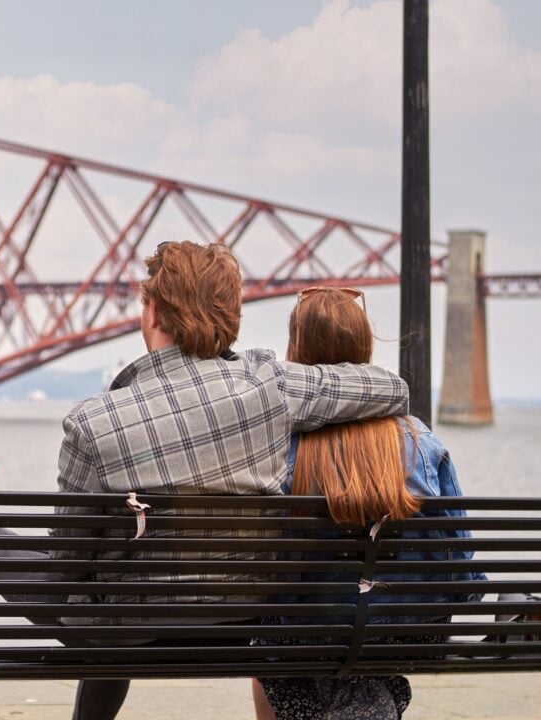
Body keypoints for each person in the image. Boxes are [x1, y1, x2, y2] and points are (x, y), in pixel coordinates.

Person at [43, 241, 410, 720]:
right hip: (244, 620)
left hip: (129, 628)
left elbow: (64, 564)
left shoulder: (92, 422)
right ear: (231, 317)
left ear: (152, 312)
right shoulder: (272, 385)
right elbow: (392, 389)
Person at [249, 286, 485, 720]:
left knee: (278, 639)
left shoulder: (277, 444)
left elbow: (263, 568)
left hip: (304, 635)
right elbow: (462, 568)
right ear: (365, 348)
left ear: (294, 351)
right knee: (341, 644)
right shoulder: (418, 440)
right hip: (403, 635)